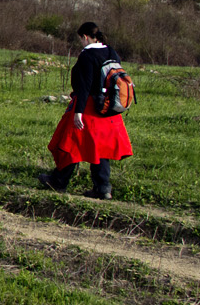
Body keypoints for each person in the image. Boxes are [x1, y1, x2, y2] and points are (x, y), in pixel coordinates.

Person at [38, 21, 133, 200]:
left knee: (70, 144)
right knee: (101, 149)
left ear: (85, 37)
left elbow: (84, 86)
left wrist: (78, 112)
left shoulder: (87, 56)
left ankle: (58, 181)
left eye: (80, 39)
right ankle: (103, 188)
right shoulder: (111, 51)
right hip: (108, 109)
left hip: (89, 107)